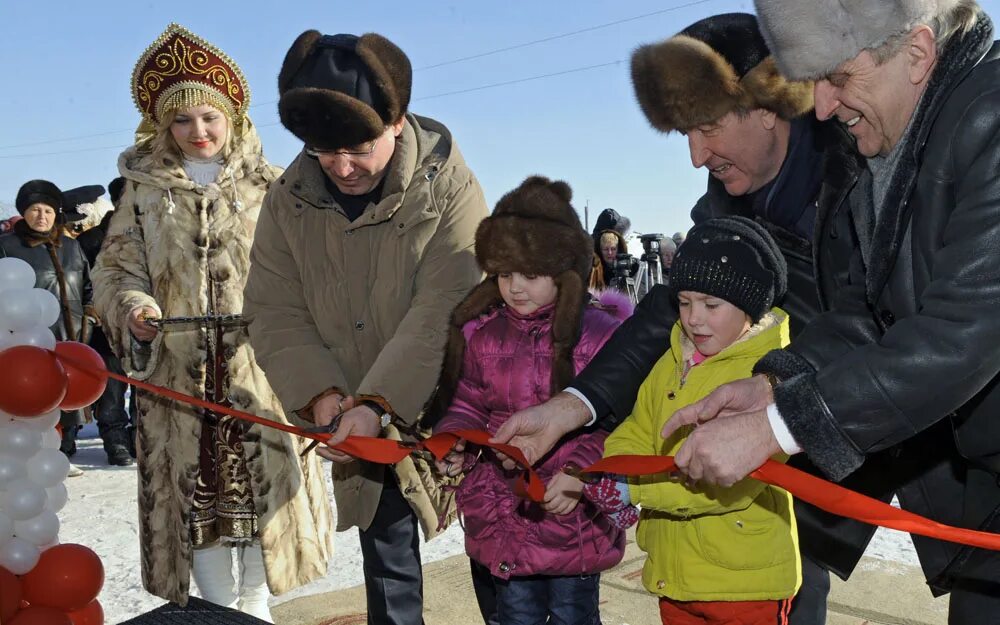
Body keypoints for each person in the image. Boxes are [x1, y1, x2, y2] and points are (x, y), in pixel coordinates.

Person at [492, 14, 857, 625]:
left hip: (888, 433)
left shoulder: (862, 174)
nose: (694, 156)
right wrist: (572, 406)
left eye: (708, 127)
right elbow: (660, 317)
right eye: (685, 133)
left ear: (769, 106)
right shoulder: (720, 208)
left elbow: (878, 323)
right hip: (770, 470)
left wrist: (779, 391)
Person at [657, 1, 1000, 622]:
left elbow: (968, 329)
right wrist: (770, 385)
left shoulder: (993, 120)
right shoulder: (885, 144)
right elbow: (870, 314)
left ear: (918, 54)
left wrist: (778, 428)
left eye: (836, 78)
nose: (819, 107)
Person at [242, 29, 488, 625]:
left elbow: (444, 307)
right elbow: (275, 308)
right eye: (325, 152)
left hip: (462, 400)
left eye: (358, 147)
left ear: (396, 121)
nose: (342, 167)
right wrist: (324, 393)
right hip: (354, 402)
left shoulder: (448, 187)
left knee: (500, 552)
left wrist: (380, 400)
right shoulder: (288, 199)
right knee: (387, 560)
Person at [91, 24, 332, 618]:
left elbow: (313, 272)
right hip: (177, 379)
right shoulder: (142, 193)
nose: (197, 132)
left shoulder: (276, 187)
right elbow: (115, 272)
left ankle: (255, 611)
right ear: (162, 127)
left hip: (263, 371)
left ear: (231, 116)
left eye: (208, 117)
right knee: (195, 512)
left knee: (264, 505)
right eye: (182, 121)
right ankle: (219, 612)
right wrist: (135, 308)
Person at [425, 176, 632, 625]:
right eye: (503, 275)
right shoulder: (482, 333)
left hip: (571, 513)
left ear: (564, 272)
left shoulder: (599, 335)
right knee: (513, 616)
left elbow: (617, 423)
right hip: (505, 511)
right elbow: (468, 402)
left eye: (531, 275)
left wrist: (581, 474)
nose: (515, 287)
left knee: (573, 617)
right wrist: (454, 438)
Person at [593, 216, 798, 625]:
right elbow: (636, 426)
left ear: (749, 307)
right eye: (684, 302)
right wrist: (618, 470)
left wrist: (638, 490)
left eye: (711, 305)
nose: (694, 318)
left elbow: (733, 484)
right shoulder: (671, 361)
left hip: (744, 583)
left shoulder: (765, 381)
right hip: (676, 573)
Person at [0, 179, 95, 476]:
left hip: (73, 332)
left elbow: (88, 285)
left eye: (48, 211)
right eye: (35, 210)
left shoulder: (71, 246)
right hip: (27, 335)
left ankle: (60, 452)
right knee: (33, 393)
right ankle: (35, 455)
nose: (42, 216)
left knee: (68, 393)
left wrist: (90, 314)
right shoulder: (7, 247)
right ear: (23, 213)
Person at [61, 183, 134, 467]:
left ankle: (140, 437)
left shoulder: (152, 233)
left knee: (146, 391)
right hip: (107, 330)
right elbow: (85, 286)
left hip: (147, 327)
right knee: (114, 390)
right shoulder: (91, 240)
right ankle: (116, 442)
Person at [589, 208, 630, 290]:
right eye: (605, 249)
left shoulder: (626, 263)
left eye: (613, 248)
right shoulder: (591, 265)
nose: (610, 253)